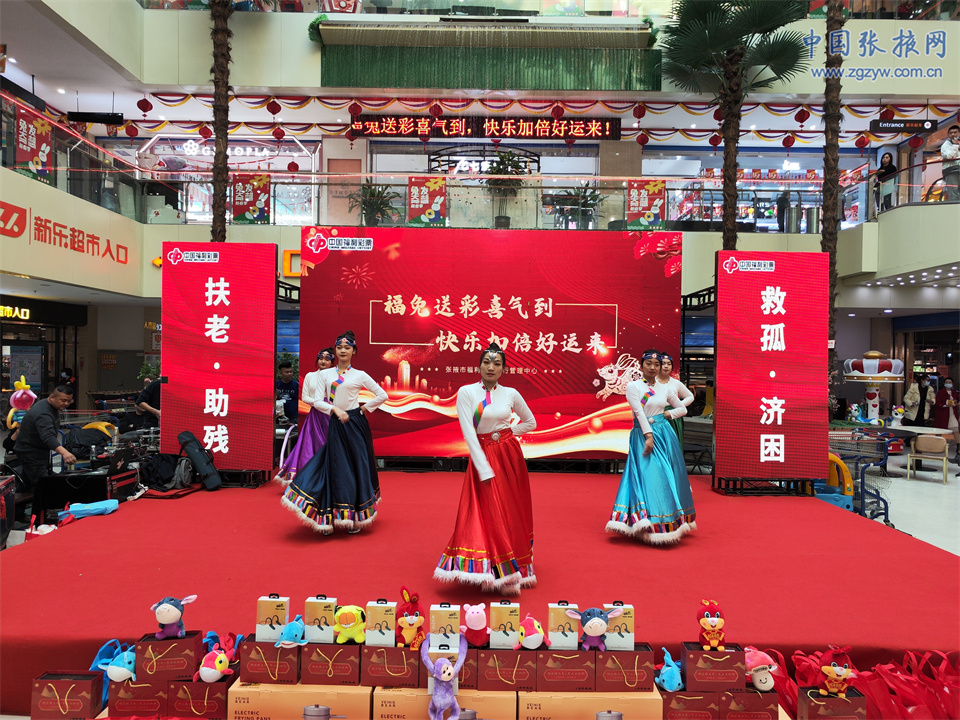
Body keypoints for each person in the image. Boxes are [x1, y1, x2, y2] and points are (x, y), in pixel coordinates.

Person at [435, 343, 537, 596]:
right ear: (479, 366)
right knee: (488, 511)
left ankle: (512, 569)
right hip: (482, 455)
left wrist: (506, 434)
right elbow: (468, 431)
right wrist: (482, 465)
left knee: (509, 510)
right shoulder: (467, 392)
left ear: (504, 369)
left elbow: (530, 422)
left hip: (508, 456)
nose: (491, 367)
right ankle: (492, 570)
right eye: (486, 362)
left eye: (497, 364)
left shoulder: (511, 393)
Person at [281, 331, 387, 535]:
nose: (343, 351)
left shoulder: (360, 375)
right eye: (339, 348)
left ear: (354, 351)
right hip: (337, 423)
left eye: (347, 348)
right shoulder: (325, 374)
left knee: (356, 467)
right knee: (335, 467)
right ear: (335, 351)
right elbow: (317, 401)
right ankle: (326, 515)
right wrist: (334, 410)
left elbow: (382, 395)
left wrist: (365, 409)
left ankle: (354, 517)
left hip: (355, 424)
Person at [606, 350, 696, 544]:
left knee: (669, 474)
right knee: (650, 475)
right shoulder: (634, 386)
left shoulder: (665, 388)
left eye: (656, 364)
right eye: (649, 363)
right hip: (642, 435)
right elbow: (638, 412)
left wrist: (667, 415)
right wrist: (648, 435)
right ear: (641, 365)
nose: (653, 367)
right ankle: (649, 521)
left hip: (665, 435)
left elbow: (682, 408)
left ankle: (667, 521)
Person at [274, 348, 335, 485]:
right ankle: (308, 479)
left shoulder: (337, 377)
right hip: (315, 416)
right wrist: (320, 403)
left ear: (332, 362)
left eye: (327, 359)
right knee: (309, 446)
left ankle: (329, 479)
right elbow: (305, 397)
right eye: (321, 358)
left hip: (331, 415)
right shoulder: (310, 376)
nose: (323, 361)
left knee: (330, 445)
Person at [13, 386, 77, 490]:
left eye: (69, 401)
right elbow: (48, 436)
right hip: (31, 452)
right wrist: (65, 453)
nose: (66, 404)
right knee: (42, 485)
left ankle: (27, 498)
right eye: (63, 400)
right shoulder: (43, 412)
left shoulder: (51, 406)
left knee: (29, 484)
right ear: (52, 397)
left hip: (35, 450)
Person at [656, 353, 694, 448]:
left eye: (669, 364)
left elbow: (690, 396)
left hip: (673, 418)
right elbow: (643, 400)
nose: (666, 366)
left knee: (672, 447)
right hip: (655, 416)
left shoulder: (676, 383)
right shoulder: (650, 382)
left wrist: (678, 406)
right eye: (663, 363)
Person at [933, 377, 960, 464]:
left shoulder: (954, 392)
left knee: (956, 430)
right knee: (940, 430)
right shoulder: (941, 392)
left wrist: (956, 404)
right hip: (943, 414)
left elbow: (958, 400)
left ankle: (958, 450)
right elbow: (938, 403)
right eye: (947, 382)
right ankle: (936, 446)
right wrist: (945, 405)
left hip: (953, 414)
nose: (948, 383)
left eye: (950, 382)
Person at [941, 125, 960, 202]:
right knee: (953, 192)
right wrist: (955, 145)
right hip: (951, 170)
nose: (953, 134)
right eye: (950, 133)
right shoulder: (945, 145)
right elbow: (950, 156)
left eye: (955, 132)